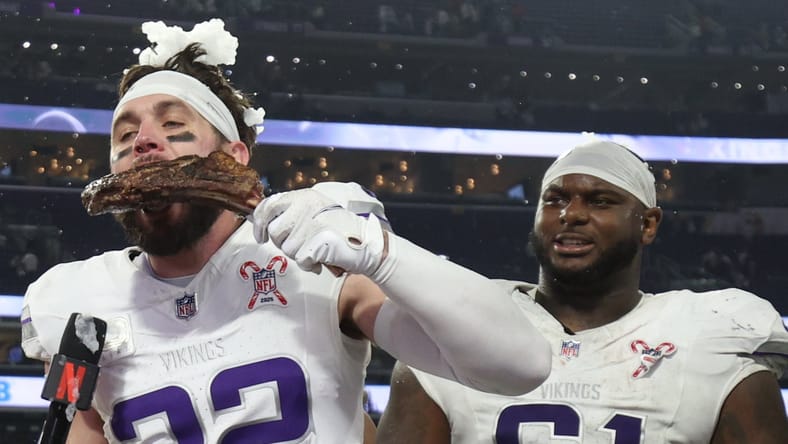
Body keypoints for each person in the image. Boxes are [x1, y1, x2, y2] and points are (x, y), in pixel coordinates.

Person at [19, 19, 551, 443]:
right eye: (125, 136)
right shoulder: (79, 302)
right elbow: (80, 431)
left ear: (233, 157)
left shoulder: (307, 261)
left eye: (175, 128)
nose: (144, 144)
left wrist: (381, 255)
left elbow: (518, 365)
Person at [377, 140, 788, 443]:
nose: (571, 214)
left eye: (600, 201)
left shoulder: (711, 334)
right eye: (554, 200)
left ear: (647, 224)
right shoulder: (456, 322)